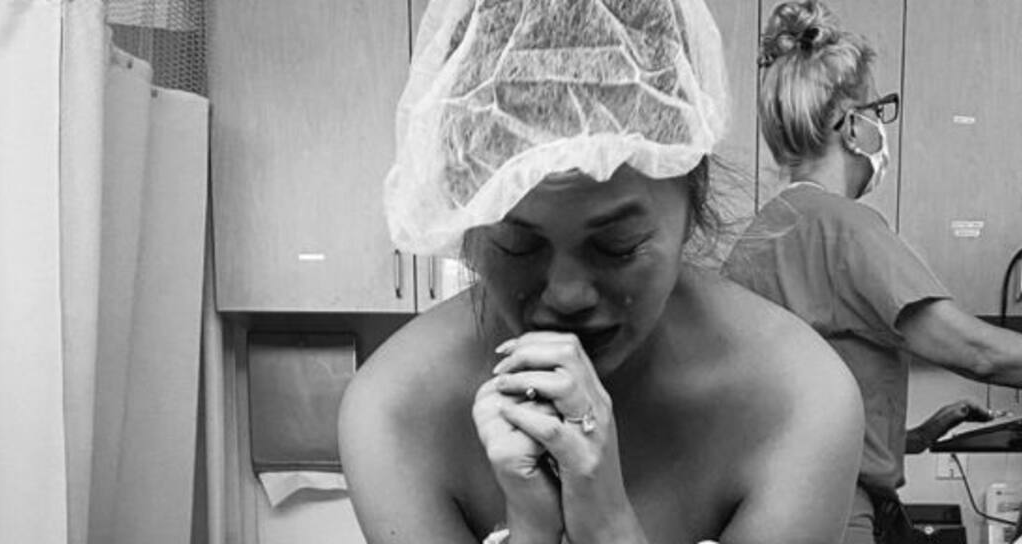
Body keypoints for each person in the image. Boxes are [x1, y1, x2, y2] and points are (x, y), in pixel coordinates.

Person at [339, 1, 865, 542]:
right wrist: (532, 528)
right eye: (519, 247)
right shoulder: (397, 413)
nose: (566, 295)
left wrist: (608, 523)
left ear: (692, 204)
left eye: (618, 247)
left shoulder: (798, 400)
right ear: (466, 219)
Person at [723, 1, 1022, 542]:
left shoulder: (764, 233)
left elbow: (796, 413)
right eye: (877, 110)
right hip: (837, 514)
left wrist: (917, 436)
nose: (881, 126)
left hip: (782, 508)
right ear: (852, 126)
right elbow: (977, 352)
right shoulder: (843, 227)